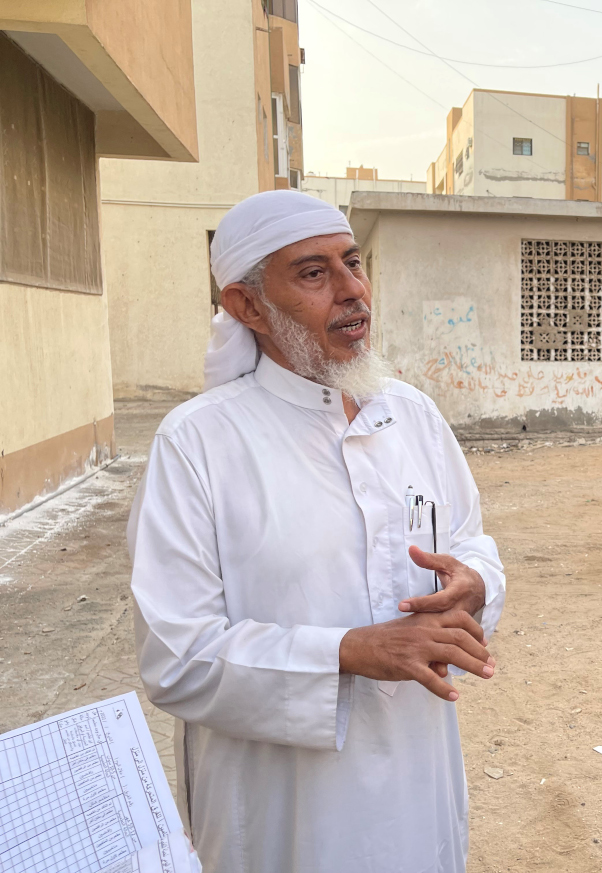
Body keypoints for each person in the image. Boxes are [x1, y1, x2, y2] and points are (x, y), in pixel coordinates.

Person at [128, 190, 506, 873]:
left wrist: (475, 581)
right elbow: (176, 656)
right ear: (247, 306)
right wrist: (348, 650)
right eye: (314, 272)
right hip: (285, 816)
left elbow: (472, 537)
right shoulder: (198, 442)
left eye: (354, 263)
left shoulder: (412, 414)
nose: (353, 290)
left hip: (419, 785)